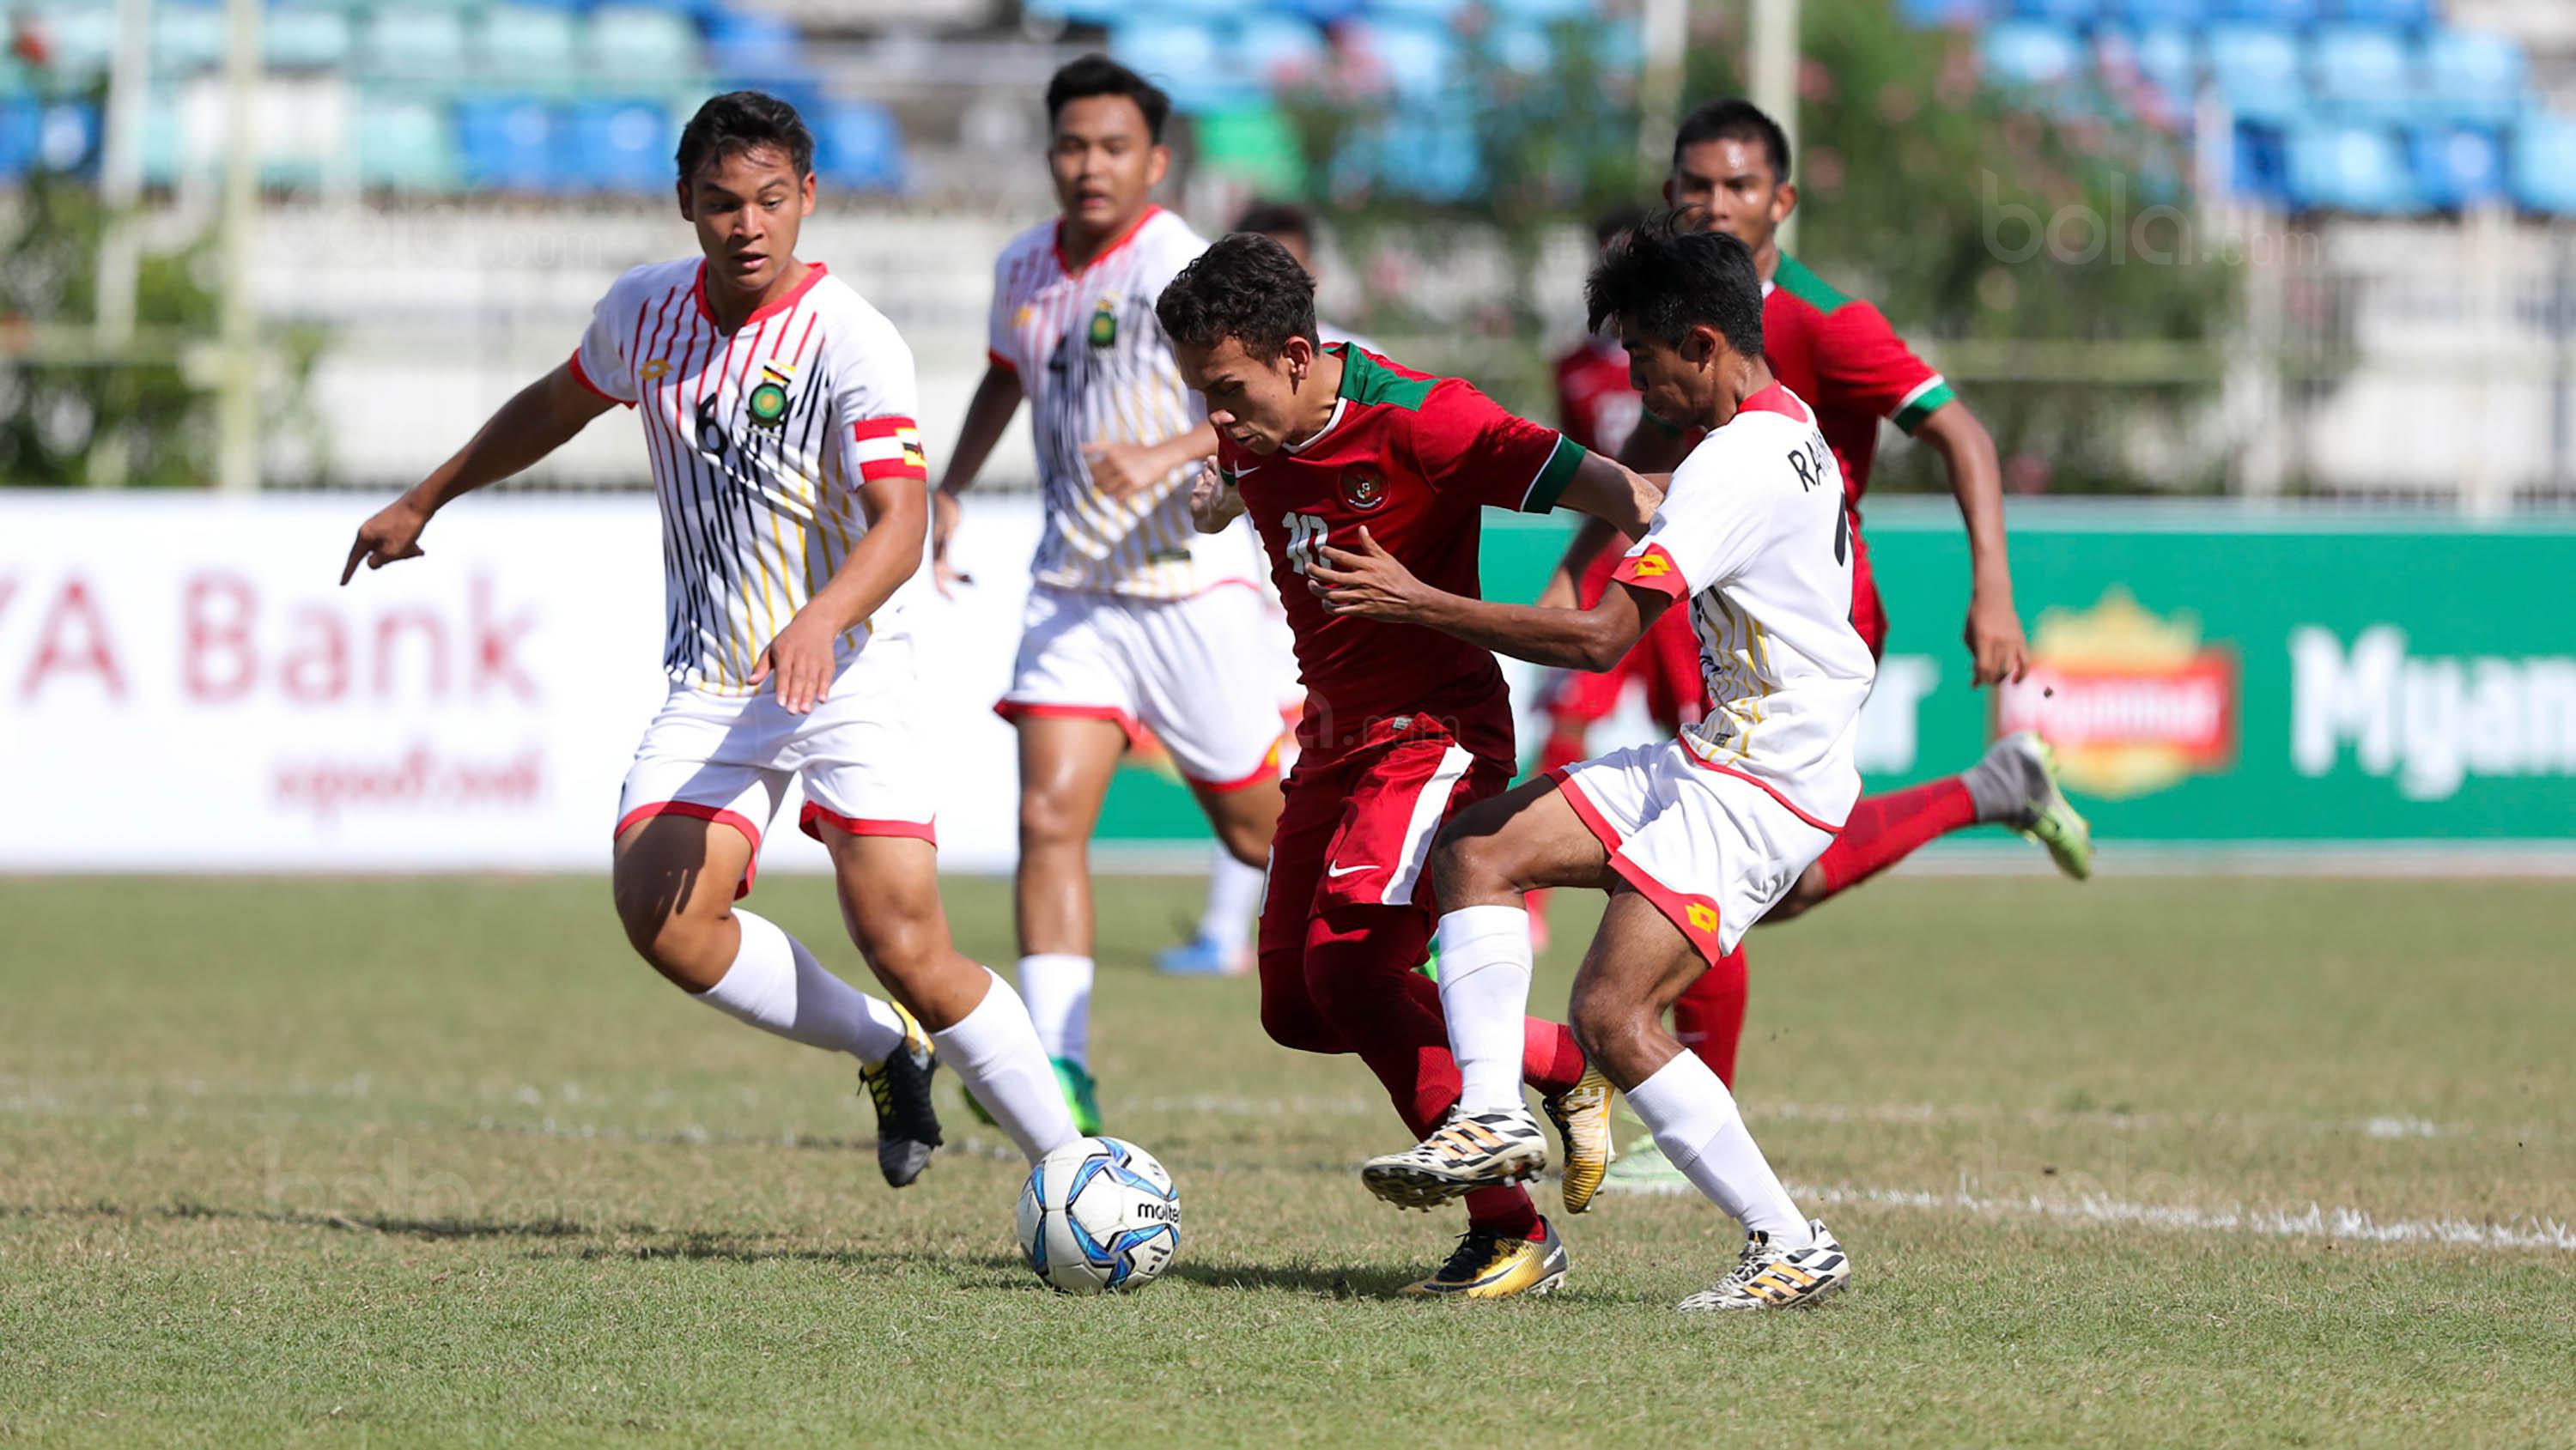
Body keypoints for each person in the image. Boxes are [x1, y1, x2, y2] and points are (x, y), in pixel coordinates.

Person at [340, 91, 1080, 1186]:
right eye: (724, 203)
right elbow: (555, 403)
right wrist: (426, 497)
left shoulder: (850, 338)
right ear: (686, 203)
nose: (748, 226)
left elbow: (903, 519)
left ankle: (1073, 1165)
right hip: (715, 680)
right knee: (662, 916)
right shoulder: (644, 314)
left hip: (850, 670)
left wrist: (824, 618)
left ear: (808, 200)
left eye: (771, 202)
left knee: (906, 942)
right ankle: (883, 1048)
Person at [1318, 216, 1862, 1311]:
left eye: (1642, 354)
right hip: (1722, 754)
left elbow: (1608, 636)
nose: (1629, 377)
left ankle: (1791, 1242)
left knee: (1614, 1015)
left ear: (1702, 344)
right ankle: (1488, 1114)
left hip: (1768, 783)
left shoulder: (1738, 464)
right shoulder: (1781, 417)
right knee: (1475, 849)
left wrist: (1422, 605)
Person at [1562, 102, 2093, 1186]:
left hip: (1799, 615)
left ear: (1782, 202)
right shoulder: (1677, 321)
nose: (1711, 202)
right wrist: (1576, 564)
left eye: (1737, 186)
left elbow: (1960, 430)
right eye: (1692, 185)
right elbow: (1648, 467)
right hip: (1708, 592)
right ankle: (1992, 789)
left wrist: (1992, 582)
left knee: (1702, 854)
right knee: (1759, 876)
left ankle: (1689, 1091)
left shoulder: (1824, 321)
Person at [1157, 232, 1654, 1298]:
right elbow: (1241, 473)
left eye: (1228, 390)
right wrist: (1218, 488)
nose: (1216, 416)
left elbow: (1617, 493)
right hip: (1331, 742)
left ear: (1298, 354)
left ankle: (1510, 1231)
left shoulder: (1429, 417)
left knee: (1353, 973)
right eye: (1201, 394)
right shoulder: (1250, 428)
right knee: (1296, 1005)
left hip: (1434, 734)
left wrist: (1719, 532)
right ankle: (1562, 1065)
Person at [933, 58, 1291, 1128]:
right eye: (1072, 145)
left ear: (1157, 159)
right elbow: (1010, 371)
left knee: (1258, 833)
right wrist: (949, 487)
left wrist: (1168, 451)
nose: (1090, 165)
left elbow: (1275, 388)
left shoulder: (1183, 261)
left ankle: (1435, 941)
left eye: (1113, 147)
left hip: (1190, 586)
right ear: (1050, 153)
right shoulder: (1022, 266)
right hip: (1074, 588)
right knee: (1048, 819)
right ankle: (1059, 1067)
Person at [1154, 198, 1367, 980]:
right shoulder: (1215, 371)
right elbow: (1233, 462)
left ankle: (1400, 911)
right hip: (1273, 605)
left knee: (1327, 775)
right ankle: (1229, 930)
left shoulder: (1365, 371)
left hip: (1359, 617)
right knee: (1282, 771)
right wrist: (1218, 499)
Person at [1523, 204, 1699, 958]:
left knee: (1699, 730)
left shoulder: (1701, 354)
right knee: (1568, 712)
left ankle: (1698, 872)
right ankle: (1523, 893)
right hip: (1612, 557)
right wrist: (1573, 564)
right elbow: (1588, 476)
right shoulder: (1575, 367)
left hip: (1695, 558)